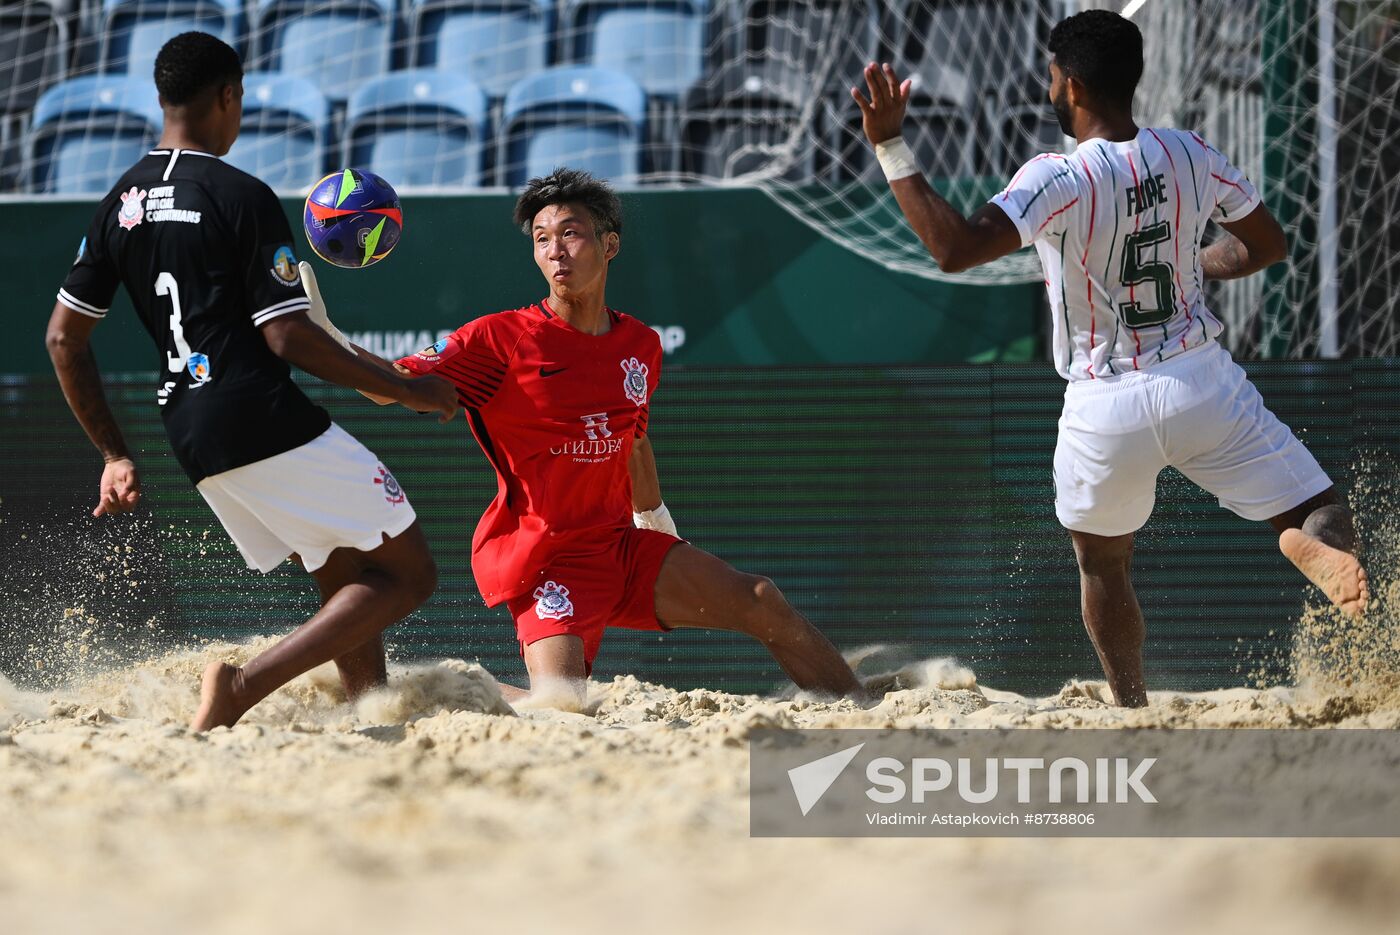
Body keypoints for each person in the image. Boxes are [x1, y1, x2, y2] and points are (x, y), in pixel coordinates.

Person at [851, 10, 1368, 706]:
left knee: (1102, 564)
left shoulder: (1055, 175)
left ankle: (1131, 703)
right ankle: (1314, 560)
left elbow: (954, 247)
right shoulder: (1190, 151)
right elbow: (1265, 245)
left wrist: (890, 146)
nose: (1049, 87)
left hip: (1104, 402)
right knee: (1319, 509)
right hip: (1198, 381)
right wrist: (1193, 261)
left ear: (1073, 86)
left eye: (1052, 77)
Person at [303, 167, 865, 707]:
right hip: (545, 557)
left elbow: (634, 443)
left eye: (570, 234)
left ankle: (863, 712)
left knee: (762, 600)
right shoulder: (500, 339)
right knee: (561, 704)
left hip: (620, 547)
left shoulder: (640, 343)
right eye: (542, 239)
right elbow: (392, 386)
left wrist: (657, 525)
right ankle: (452, 686)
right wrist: (327, 341)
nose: (555, 250)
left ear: (609, 245)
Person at [44, 32, 459, 730]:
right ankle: (242, 685)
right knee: (411, 573)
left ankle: (369, 707)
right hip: (253, 409)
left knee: (338, 560)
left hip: (188, 428)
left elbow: (62, 337)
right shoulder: (239, 193)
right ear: (229, 97)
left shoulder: (121, 201)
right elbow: (286, 336)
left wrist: (114, 452)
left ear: (162, 97)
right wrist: (413, 390)